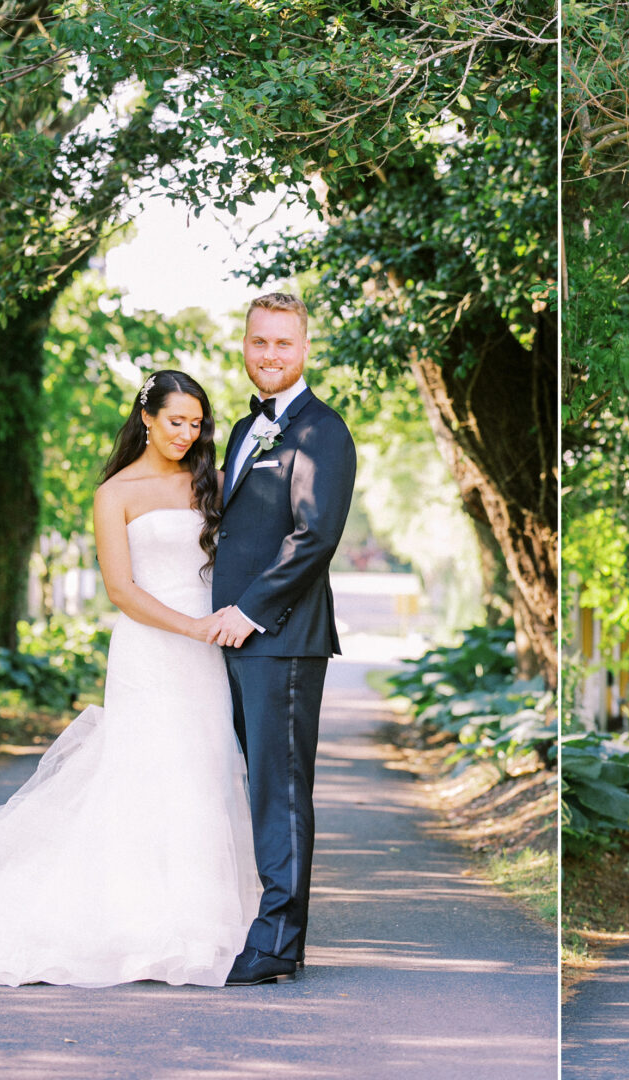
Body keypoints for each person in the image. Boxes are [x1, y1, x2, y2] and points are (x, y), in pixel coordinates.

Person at [0, 370, 260, 987]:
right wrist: (191, 628)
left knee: (203, 769)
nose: (187, 434)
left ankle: (202, 920)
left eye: (197, 424)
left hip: (206, 654)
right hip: (153, 647)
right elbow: (121, 589)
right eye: (176, 421)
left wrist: (221, 625)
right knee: (144, 771)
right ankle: (134, 920)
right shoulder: (115, 492)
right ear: (146, 418)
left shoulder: (213, 483)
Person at [207, 292, 356, 987]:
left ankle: (276, 944)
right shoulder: (244, 428)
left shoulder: (322, 431)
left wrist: (251, 610)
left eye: (283, 344)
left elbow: (313, 537)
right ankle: (262, 929)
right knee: (253, 784)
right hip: (235, 640)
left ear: (305, 349)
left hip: (281, 638)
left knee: (280, 790)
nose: (269, 355)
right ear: (246, 344)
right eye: (259, 342)